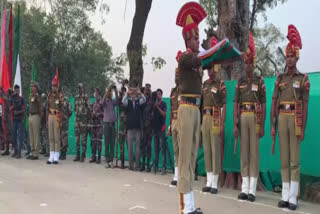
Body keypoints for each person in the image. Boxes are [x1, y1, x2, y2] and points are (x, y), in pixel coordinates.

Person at [270, 25, 309, 211]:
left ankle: (293, 197)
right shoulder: (279, 78)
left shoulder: (303, 79)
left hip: (295, 119)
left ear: (297, 57)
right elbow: (274, 101)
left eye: (292, 56)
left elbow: (306, 105)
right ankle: (285, 195)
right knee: (284, 160)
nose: (289, 59)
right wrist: (272, 124)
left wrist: (304, 127)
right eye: (287, 56)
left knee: (294, 161)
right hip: (282, 118)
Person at [175, 2, 206, 213]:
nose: (199, 40)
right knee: (185, 159)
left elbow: (204, 60)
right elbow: (199, 58)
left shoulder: (196, 60)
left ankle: (191, 205)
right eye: (196, 38)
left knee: (192, 159)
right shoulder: (185, 57)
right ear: (188, 39)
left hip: (196, 110)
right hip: (186, 109)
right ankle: (186, 208)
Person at [233, 32, 266, 202]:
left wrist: (262, 124)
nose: (247, 66)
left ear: (253, 64)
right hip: (242, 115)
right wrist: (234, 123)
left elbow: (264, 103)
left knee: (254, 153)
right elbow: (235, 103)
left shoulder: (259, 81)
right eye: (245, 63)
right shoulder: (240, 82)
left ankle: (252, 189)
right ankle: (244, 188)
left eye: (250, 63)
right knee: (244, 152)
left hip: (254, 116)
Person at [201, 37, 226, 195]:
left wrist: (222, 123)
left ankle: (215, 182)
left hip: (216, 117)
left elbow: (223, 105)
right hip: (205, 117)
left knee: (215, 149)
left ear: (216, 69)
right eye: (208, 69)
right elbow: (201, 104)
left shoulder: (220, 85)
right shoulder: (204, 85)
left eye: (212, 69)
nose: (210, 71)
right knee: (207, 150)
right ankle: (209, 180)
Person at [122, 88, 146, 171]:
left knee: (137, 148)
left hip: (137, 128)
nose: (132, 96)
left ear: (135, 95)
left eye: (133, 94)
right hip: (129, 128)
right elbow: (123, 101)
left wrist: (140, 93)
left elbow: (144, 100)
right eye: (131, 94)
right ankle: (130, 166)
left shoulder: (138, 101)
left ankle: (137, 166)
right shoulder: (127, 102)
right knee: (130, 148)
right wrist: (126, 94)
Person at [167, 51, 181, 185]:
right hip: (175, 121)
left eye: (178, 75)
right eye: (175, 75)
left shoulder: (184, 90)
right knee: (175, 149)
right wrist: (170, 125)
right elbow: (171, 109)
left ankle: (182, 174)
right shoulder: (173, 91)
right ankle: (176, 175)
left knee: (183, 149)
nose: (176, 77)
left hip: (183, 121)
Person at [47, 72, 63, 164]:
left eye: (55, 86)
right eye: (52, 86)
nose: (53, 87)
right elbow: (47, 108)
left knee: (56, 137)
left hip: (57, 116)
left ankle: (56, 156)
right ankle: (51, 155)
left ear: (57, 87)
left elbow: (62, 108)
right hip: (50, 116)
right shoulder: (49, 95)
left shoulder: (59, 96)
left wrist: (60, 119)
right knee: (51, 137)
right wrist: (46, 120)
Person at [101, 85, 118, 168]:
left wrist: (116, 92)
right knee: (107, 143)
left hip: (112, 124)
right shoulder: (105, 102)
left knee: (112, 143)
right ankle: (107, 161)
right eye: (108, 93)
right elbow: (102, 102)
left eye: (110, 93)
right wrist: (106, 92)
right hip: (106, 124)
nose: (109, 94)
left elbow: (118, 101)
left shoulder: (112, 102)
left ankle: (111, 161)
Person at [74, 83, 89, 162]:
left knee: (83, 139)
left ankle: (83, 155)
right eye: (78, 88)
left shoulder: (86, 97)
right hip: (77, 120)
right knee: (77, 139)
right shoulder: (76, 98)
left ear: (83, 89)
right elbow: (74, 108)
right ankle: (77, 155)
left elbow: (88, 108)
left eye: (80, 88)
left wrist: (86, 117)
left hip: (83, 120)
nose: (79, 89)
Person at [153, 89, 167, 175]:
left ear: (161, 95)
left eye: (159, 94)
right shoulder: (153, 104)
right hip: (155, 129)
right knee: (156, 149)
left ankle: (163, 168)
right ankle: (155, 167)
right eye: (156, 94)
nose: (157, 96)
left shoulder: (163, 104)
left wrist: (157, 107)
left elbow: (164, 114)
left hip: (161, 129)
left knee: (162, 149)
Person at [140, 83, 154, 172]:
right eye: (146, 89)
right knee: (143, 146)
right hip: (143, 126)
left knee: (148, 146)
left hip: (149, 126)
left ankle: (148, 165)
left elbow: (153, 110)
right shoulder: (142, 100)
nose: (147, 90)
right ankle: (143, 164)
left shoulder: (152, 100)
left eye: (148, 89)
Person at [27, 81, 42, 160]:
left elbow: (40, 107)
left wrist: (41, 116)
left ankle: (36, 153)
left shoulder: (37, 96)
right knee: (31, 135)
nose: (31, 88)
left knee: (36, 135)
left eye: (33, 86)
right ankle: (32, 152)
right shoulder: (30, 96)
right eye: (31, 86)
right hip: (30, 116)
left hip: (36, 116)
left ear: (36, 88)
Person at [10, 84, 25, 159]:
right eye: (15, 89)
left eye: (18, 89)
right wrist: (13, 108)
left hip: (20, 119)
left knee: (20, 136)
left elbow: (23, 109)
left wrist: (18, 112)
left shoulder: (22, 98)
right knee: (13, 136)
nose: (17, 91)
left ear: (19, 90)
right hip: (14, 119)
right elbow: (9, 108)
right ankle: (15, 151)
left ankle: (19, 152)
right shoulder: (12, 98)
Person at [89, 88, 104, 164]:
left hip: (99, 125)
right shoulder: (93, 103)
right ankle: (93, 157)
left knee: (98, 142)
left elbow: (105, 113)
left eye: (96, 92)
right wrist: (92, 114)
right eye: (94, 92)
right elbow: (91, 111)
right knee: (93, 142)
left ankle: (99, 158)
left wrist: (98, 114)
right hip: (93, 125)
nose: (95, 94)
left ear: (98, 93)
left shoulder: (102, 102)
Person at [59, 89, 72, 160]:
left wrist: (66, 117)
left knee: (64, 137)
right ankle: (60, 152)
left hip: (64, 122)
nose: (61, 93)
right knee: (59, 137)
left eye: (62, 92)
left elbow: (70, 111)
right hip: (58, 122)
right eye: (60, 92)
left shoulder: (66, 100)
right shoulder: (57, 100)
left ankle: (64, 153)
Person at [118, 80, 128, 169]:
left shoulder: (128, 101)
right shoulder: (120, 102)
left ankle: (131, 163)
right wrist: (122, 86)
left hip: (128, 126)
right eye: (123, 92)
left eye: (125, 91)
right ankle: (122, 163)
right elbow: (118, 100)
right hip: (121, 126)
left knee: (129, 145)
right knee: (121, 145)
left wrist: (126, 88)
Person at [0, 88, 13, 156]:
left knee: (8, 134)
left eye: (7, 92)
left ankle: (8, 149)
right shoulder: (7, 98)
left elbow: (3, 97)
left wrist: (1, 91)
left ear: (9, 93)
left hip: (8, 119)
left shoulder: (8, 99)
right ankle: (7, 149)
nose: (6, 93)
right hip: (5, 119)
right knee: (7, 134)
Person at [40, 93, 49, 157]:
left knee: (46, 137)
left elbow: (44, 112)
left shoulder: (46, 104)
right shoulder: (42, 103)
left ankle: (47, 151)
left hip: (45, 121)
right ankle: (43, 149)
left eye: (43, 97)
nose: (42, 98)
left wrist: (46, 121)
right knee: (43, 136)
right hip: (42, 122)